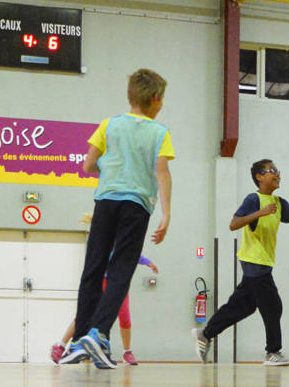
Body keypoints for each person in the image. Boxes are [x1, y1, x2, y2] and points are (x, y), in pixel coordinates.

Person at [63, 68, 173, 370]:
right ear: (155, 99)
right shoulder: (160, 132)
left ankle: (80, 340)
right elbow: (162, 173)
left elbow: (87, 165)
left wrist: (113, 168)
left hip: (106, 201)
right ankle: (98, 334)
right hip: (135, 206)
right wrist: (166, 213)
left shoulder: (108, 125)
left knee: (93, 268)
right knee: (121, 270)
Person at [192, 159, 289, 366]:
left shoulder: (280, 203)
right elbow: (233, 224)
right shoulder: (253, 199)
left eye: (277, 170)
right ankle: (272, 352)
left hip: (263, 262)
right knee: (273, 306)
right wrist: (260, 213)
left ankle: (205, 333)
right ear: (259, 176)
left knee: (243, 306)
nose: (277, 174)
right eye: (272, 170)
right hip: (254, 261)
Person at [53, 254, 159, 365]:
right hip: (100, 281)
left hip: (118, 283)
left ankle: (127, 352)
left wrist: (147, 262)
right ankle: (61, 346)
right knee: (85, 315)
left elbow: (131, 250)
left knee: (125, 317)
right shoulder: (106, 241)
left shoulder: (123, 242)